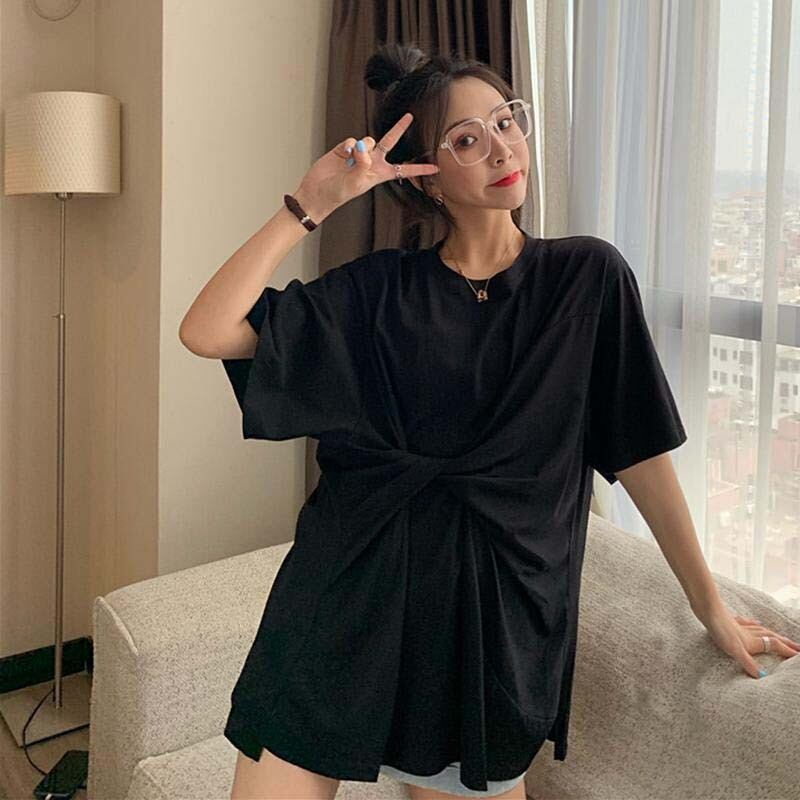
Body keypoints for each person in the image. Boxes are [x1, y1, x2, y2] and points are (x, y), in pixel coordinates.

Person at [181, 41, 796, 800]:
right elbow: (207, 329)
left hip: (489, 636)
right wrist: (310, 204)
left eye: (506, 121)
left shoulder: (587, 278)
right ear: (427, 178)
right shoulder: (378, 290)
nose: (502, 148)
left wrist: (708, 606)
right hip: (343, 602)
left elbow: (640, 455)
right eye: (467, 140)